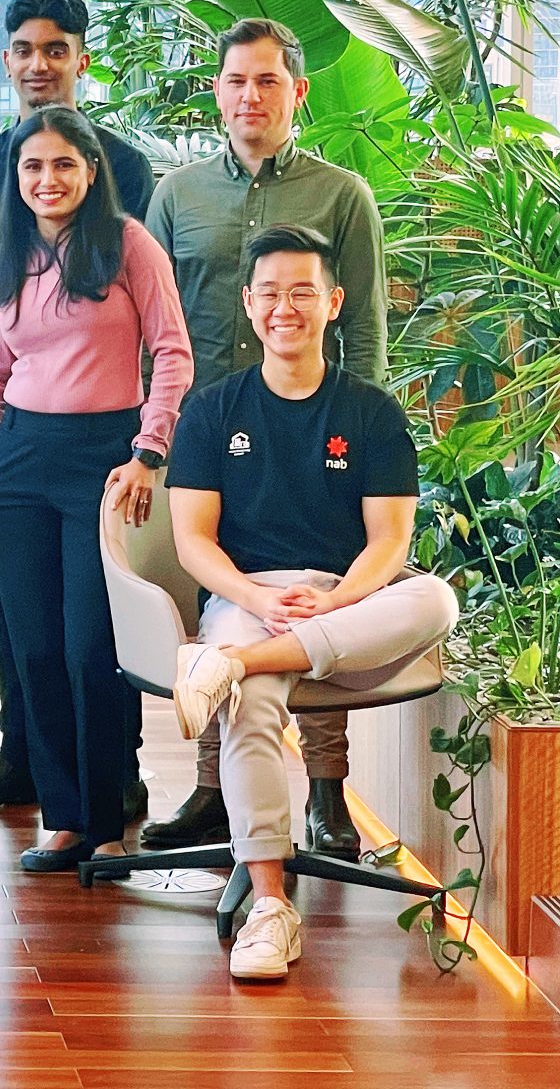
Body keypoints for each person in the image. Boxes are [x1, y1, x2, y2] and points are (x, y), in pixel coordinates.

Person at [168, 225, 453, 980]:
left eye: (302, 291)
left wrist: (335, 604)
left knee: (434, 600)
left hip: (345, 606)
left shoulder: (371, 411)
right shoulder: (211, 409)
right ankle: (270, 906)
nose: (284, 307)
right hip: (244, 595)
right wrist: (255, 596)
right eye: (270, 293)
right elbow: (195, 543)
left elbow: (389, 543)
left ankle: (227, 664)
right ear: (249, 305)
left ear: (333, 302)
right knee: (254, 701)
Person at [143, 18, 389, 859]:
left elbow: (371, 337)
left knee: (316, 591)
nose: (251, 97)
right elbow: (154, 328)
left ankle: (327, 792)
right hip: (206, 438)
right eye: (236, 81)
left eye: (268, 82)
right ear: (216, 90)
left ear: (298, 93)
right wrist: (148, 442)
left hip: (318, 438)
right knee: (221, 602)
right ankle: (212, 792)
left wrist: (363, 449)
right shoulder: (177, 194)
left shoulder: (340, 194)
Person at [0, 0, 156, 820]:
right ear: (7, 62)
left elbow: (144, 316)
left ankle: (118, 772)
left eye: (56, 49)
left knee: (95, 616)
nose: (40, 64)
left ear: (81, 60)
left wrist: (146, 436)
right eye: (25, 49)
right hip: (18, 433)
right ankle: (22, 754)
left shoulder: (126, 168)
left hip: (106, 433)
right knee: (18, 609)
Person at [0, 107, 192, 872]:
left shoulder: (129, 245)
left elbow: (171, 352)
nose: (47, 180)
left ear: (91, 171)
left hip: (108, 461)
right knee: (31, 645)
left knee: (90, 648)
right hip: (19, 462)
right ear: (18, 178)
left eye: (63, 165)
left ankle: (105, 820)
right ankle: (62, 818)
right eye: (33, 167)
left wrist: (149, 450)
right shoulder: (5, 255)